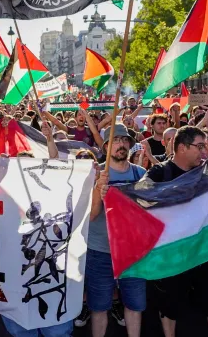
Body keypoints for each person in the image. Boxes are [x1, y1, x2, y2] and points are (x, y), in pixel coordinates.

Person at [143, 126, 208, 337]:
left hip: (207, 251)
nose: (205, 151)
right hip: (175, 253)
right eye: (200, 146)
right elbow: (137, 199)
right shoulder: (159, 173)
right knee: (170, 303)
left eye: (207, 146)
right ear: (182, 147)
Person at [80, 124, 147, 337]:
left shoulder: (141, 174)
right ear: (106, 146)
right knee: (99, 306)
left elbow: (149, 211)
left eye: (125, 140)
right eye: (116, 141)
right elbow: (90, 215)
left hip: (133, 252)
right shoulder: (95, 173)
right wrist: (98, 189)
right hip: (101, 250)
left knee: (135, 305)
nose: (121, 145)